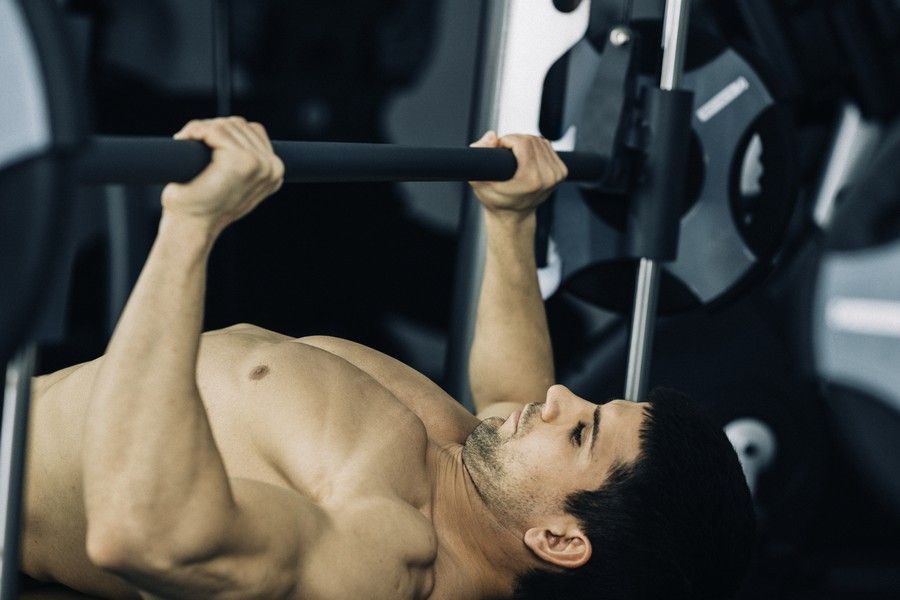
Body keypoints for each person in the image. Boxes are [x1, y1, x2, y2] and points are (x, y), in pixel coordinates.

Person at [21, 117, 754, 599]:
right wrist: (510, 221)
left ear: (559, 540)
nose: (560, 396)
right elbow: (514, 387)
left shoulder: (382, 565)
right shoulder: (477, 467)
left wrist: (191, 224)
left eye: (581, 431)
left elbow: (142, 532)